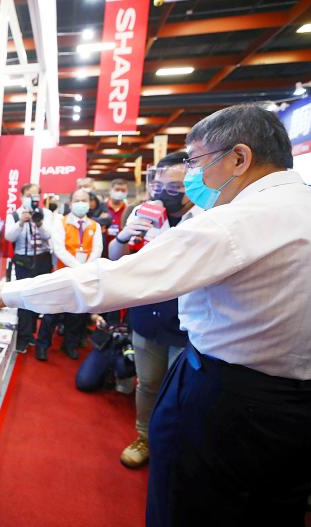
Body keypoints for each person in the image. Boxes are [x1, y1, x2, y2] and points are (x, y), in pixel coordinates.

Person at [0, 104, 311, 526]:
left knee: (188, 504)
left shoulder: (235, 222)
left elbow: (113, 279)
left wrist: (11, 292)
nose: (192, 176)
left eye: (197, 162)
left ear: (239, 158)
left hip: (232, 400)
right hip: (291, 408)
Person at [109, 151, 200, 469]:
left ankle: (176, 444)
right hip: (147, 315)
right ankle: (144, 437)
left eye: (175, 187)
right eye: (160, 186)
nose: (165, 193)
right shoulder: (142, 213)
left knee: (183, 390)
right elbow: (115, 257)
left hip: (188, 321)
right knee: (147, 383)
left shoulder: (208, 217)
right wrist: (125, 234)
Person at [39, 188, 102, 360]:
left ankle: (70, 345)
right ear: (70, 203)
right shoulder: (61, 222)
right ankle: (42, 345)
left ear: (90, 204)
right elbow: (59, 249)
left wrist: (85, 268)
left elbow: (97, 250)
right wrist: (78, 267)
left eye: (84, 200)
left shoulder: (94, 226)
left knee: (77, 314)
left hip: (83, 276)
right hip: (63, 273)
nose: (80, 203)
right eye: (77, 200)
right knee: (51, 313)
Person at [4, 183, 52, 353]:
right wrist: (21, 222)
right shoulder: (14, 215)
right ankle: (23, 337)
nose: (32, 199)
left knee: (39, 298)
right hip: (23, 260)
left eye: (35, 196)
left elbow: (49, 235)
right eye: (29, 195)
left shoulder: (46, 214)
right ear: (21, 196)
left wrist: (39, 223)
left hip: (43, 259)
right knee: (23, 297)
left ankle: (31, 332)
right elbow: (9, 237)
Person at [105, 178, 129, 245]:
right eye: (117, 189)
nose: (120, 192)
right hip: (103, 245)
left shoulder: (128, 210)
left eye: (123, 190)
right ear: (110, 191)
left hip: (122, 246)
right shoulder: (101, 208)